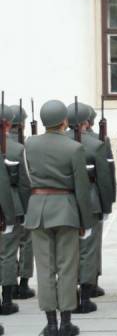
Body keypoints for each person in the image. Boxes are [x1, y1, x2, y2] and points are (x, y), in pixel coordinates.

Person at [24, 99, 95, 336]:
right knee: (67, 267)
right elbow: (81, 188)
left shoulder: (30, 144)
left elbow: (27, 178)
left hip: (38, 209)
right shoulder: (74, 148)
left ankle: (51, 323)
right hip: (65, 210)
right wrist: (86, 221)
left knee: (44, 268)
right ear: (64, 121)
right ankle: (66, 322)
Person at [65, 103, 113, 314]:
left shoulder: (60, 142)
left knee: (68, 251)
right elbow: (104, 179)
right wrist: (106, 204)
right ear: (87, 121)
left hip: (65, 201)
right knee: (88, 250)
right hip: (91, 200)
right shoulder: (95, 145)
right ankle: (85, 297)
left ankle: (69, 295)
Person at [0, 105, 31, 315]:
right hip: (10, 205)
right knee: (8, 253)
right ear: (8, 124)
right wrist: (27, 209)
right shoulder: (17, 149)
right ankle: (7, 300)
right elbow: (24, 185)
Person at [86, 104, 116, 298]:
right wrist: (108, 203)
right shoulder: (99, 141)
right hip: (92, 199)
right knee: (91, 245)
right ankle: (90, 283)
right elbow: (107, 174)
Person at [7, 105, 35, 300]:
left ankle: (8, 287)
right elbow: (26, 182)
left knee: (6, 249)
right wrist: (28, 207)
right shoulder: (21, 148)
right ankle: (23, 284)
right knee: (26, 242)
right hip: (18, 203)